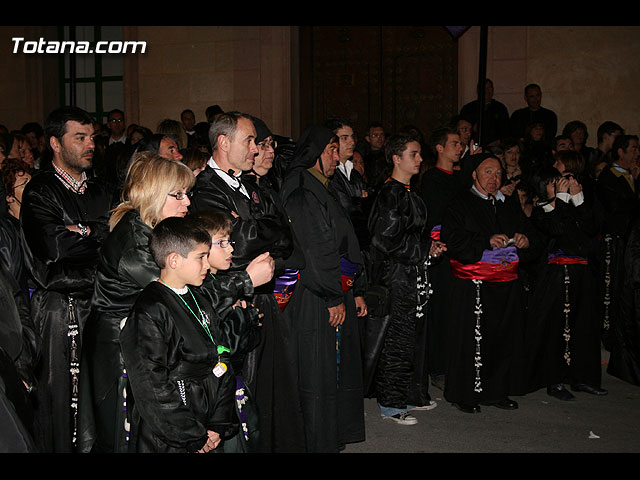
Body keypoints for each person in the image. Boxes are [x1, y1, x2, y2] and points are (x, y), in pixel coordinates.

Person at [190, 112, 305, 453]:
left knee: (275, 393)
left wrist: (260, 229)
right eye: (250, 141)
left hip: (263, 299)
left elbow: (286, 238)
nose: (256, 149)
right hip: (234, 304)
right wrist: (263, 229)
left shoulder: (251, 184)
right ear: (224, 143)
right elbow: (236, 247)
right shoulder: (206, 189)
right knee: (244, 395)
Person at [77, 153, 198, 453]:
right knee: (124, 436)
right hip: (117, 350)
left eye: (188, 194)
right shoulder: (134, 241)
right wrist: (241, 282)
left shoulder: (149, 229)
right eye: (179, 195)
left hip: (130, 342)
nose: (188, 203)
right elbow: (178, 293)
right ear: (155, 195)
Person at [20, 106, 114, 452]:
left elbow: (117, 237)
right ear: (55, 144)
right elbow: (54, 249)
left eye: (92, 137)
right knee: (61, 409)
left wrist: (86, 231)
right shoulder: (40, 191)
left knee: (101, 403)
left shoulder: (104, 189)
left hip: (101, 306)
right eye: (80, 137)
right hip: (61, 313)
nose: (90, 144)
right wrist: (98, 236)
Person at [280, 124, 367, 452]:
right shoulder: (302, 188)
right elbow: (316, 248)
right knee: (317, 372)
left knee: (333, 369)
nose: (337, 155)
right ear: (315, 153)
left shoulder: (320, 184)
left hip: (332, 287)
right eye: (331, 149)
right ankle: (316, 441)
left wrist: (352, 288)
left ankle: (329, 435)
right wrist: (333, 295)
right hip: (316, 295)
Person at [119, 216, 239, 453]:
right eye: (200, 257)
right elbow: (151, 386)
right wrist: (192, 435)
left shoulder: (199, 297)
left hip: (207, 419)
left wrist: (217, 424)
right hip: (172, 432)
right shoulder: (150, 310)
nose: (207, 265)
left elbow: (223, 355)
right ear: (174, 260)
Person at [440, 153, 537, 413]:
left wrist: (525, 240)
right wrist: (485, 241)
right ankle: (467, 394)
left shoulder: (507, 203)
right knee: (472, 341)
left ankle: (497, 391)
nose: (493, 178)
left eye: (498, 173)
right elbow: (453, 241)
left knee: (503, 338)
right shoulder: (460, 203)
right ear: (474, 174)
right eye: (487, 172)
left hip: (506, 285)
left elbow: (530, 232)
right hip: (473, 286)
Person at [368, 132, 446, 425]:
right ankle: (390, 402)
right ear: (396, 158)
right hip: (396, 275)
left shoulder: (409, 192)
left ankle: (411, 394)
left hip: (412, 272)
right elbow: (384, 240)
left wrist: (430, 246)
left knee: (413, 335)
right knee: (397, 337)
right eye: (414, 154)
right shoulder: (390, 193)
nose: (420, 159)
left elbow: (410, 235)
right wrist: (423, 247)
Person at [525, 166, 605, 401]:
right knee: (556, 329)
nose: (562, 186)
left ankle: (582, 377)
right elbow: (558, 229)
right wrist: (559, 198)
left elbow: (591, 230)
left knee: (584, 327)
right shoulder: (542, 212)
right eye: (554, 183)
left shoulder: (571, 210)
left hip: (582, 275)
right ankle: (554, 379)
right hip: (557, 278)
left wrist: (579, 199)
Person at [419, 126, 464, 391]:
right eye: (455, 143)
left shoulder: (460, 179)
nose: (460, 148)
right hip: (441, 253)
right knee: (440, 310)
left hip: (460, 252)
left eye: (461, 144)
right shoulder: (433, 179)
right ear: (440, 147)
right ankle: (437, 367)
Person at [595, 134, 640, 351]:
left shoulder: (633, 175)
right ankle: (609, 334)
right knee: (611, 288)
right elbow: (620, 210)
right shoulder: (609, 177)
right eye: (632, 149)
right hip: (616, 242)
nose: (637, 153)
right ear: (620, 152)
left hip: (633, 243)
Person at [326, 117, 371, 251]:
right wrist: (362, 202)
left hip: (360, 244)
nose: (352, 142)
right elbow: (345, 210)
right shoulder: (329, 174)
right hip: (341, 247)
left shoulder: (355, 174)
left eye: (352, 137)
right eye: (344, 138)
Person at [459, 78, 510, 147]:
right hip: (473, 145)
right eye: (484, 88)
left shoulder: (500, 108)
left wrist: (499, 141)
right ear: (478, 90)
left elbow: (506, 130)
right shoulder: (468, 108)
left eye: (489, 87)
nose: (487, 90)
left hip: (495, 147)